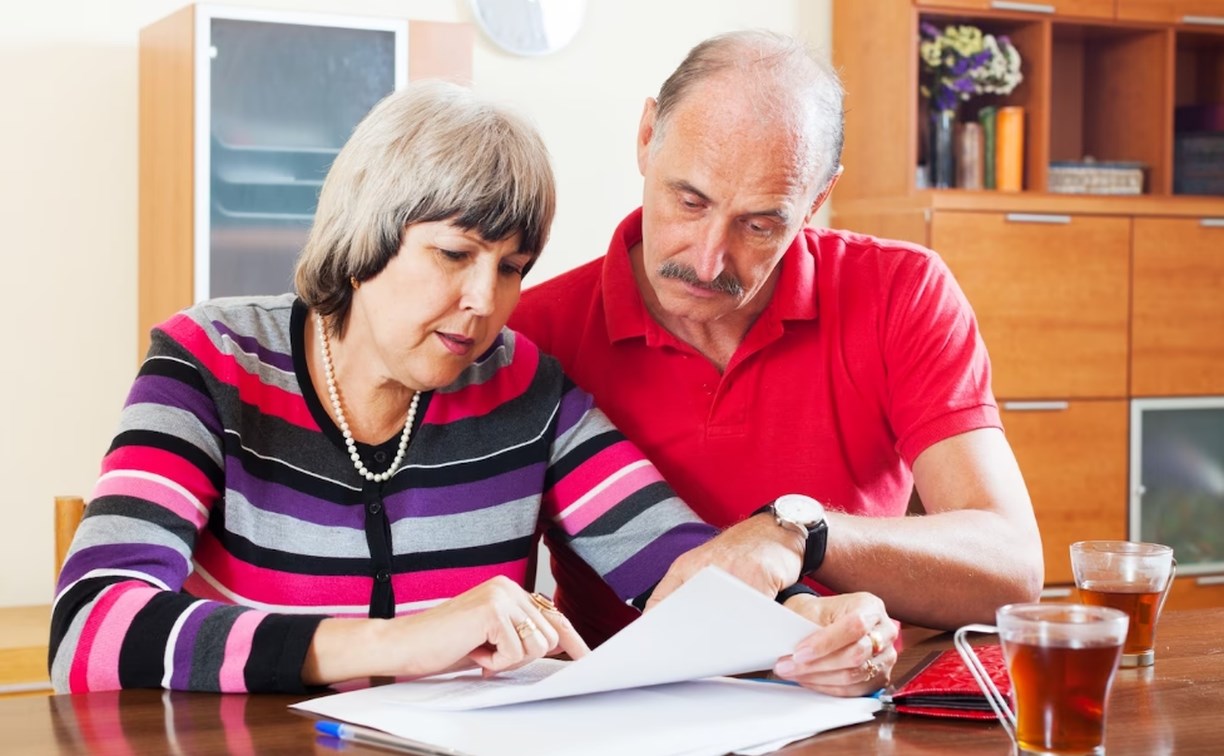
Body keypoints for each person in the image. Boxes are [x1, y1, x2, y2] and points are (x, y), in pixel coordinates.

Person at [51, 80, 897, 696]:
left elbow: (682, 572)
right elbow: (90, 627)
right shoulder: (210, 363)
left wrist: (810, 626)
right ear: (367, 231)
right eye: (454, 255)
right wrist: (402, 643)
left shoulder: (524, 387)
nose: (484, 304)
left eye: (513, 269)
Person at [509, 30, 1045, 648]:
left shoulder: (901, 292)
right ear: (647, 136)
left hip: (845, 706)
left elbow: (1013, 568)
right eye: (689, 201)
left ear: (818, 197)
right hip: (622, 709)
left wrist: (798, 532)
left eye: (760, 225)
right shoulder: (531, 332)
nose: (709, 261)